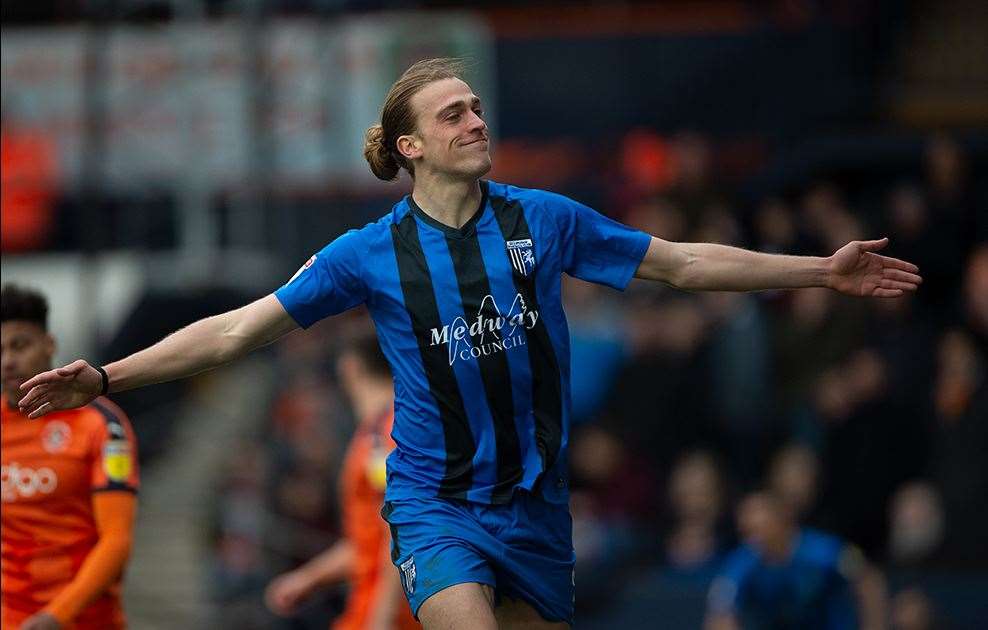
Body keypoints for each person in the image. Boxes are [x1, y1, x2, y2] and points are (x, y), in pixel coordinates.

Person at [18, 58, 921, 629]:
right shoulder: (364, 255)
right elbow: (235, 329)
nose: (477, 121)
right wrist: (107, 373)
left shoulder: (545, 219)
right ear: (412, 145)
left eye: (478, 107)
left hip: (537, 504)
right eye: (454, 115)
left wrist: (820, 270)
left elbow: (681, 264)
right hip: (435, 501)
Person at [1, 284, 139, 630]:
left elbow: (116, 540)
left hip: (85, 621)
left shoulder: (101, 425)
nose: (7, 361)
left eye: (19, 345)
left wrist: (56, 616)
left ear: (49, 344)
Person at [265, 333, 418, 630]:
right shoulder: (383, 428)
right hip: (376, 605)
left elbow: (402, 531)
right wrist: (307, 579)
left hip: (388, 612)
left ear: (349, 366)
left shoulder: (386, 434)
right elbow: (370, 540)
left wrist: (381, 621)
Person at [705, 491, 887, 630]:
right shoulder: (743, 560)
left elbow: (868, 581)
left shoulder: (823, 550)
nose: (753, 539)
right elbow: (720, 610)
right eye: (747, 532)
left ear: (781, 519)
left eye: (760, 528)